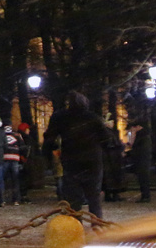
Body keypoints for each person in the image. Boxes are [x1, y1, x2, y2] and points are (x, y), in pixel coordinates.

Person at [42, 92, 110, 220]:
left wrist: (50, 151)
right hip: (92, 160)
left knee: (73, 198)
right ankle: (97, 224)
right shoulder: (93, 117)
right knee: (94, 197)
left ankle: (75, 225)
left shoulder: (60, 117)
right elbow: (106, 139)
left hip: (72, 160)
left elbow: (49, 138)